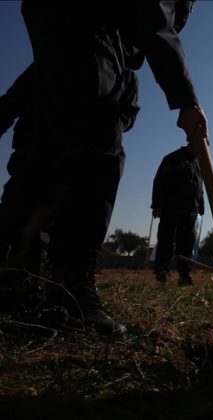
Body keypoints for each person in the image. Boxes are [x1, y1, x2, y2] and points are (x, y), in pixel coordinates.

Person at [7, 0, 208, 334]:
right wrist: (186, 100)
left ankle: (17, 290)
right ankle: (69, 294)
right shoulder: (103, 33)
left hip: (56, 17)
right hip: (80, 17)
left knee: (48, 158)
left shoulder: (108, 56)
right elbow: (154, 21)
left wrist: (4, 110)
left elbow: (40, 74)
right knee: (98, 152)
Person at [0, 63, 140, 316]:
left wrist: (109, 122)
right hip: (39, 148)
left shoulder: (126, 75)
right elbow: (17, 96)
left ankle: (66, 291)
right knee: (23, 213)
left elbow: (129, 113)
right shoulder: (61, 54)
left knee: (77, 221)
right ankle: (18, 285)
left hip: (91, 155)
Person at [151, 143, 205, 286]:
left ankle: (184, 275)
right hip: (171, 209)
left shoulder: (198, 163)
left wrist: (201, 204)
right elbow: (159, 182)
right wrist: (157, 205)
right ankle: (161, 272)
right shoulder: (173, 159)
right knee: (166, 241)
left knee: (187, 244)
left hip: (190, 212)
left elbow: (200, 186)